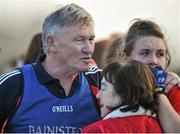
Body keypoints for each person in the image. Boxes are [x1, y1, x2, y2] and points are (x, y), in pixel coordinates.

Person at [0, 3, 101, 133]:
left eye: (91, 39)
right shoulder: (14, 83)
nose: (89, 49)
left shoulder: (101, 81)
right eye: (79, 40)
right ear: (51, 43)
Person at [118, 18, 180, 132]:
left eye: (160, 54)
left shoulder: (173, 88)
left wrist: (159, 92)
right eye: (145, 53)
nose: (154, 61)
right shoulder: (111, 88)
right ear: (125, 58)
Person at [82, 60, 163, 133]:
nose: (97, 95)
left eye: (103, 88)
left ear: (123, 93)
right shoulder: (162, 126)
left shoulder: (96, 130)